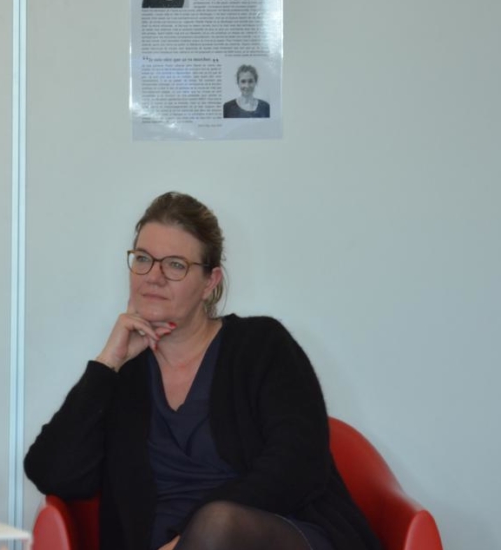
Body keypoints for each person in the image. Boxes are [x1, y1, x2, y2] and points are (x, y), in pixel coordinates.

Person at [25, 193, 380, 550]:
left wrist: (187, 540)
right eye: (143, 259)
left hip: (274, 535)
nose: (154, 277)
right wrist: (107, 363)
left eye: (175, 265)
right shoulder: (122, 377)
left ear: (210, 282)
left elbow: (300, 463)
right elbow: (52, 474)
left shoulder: (261, 345)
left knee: (218, 525)